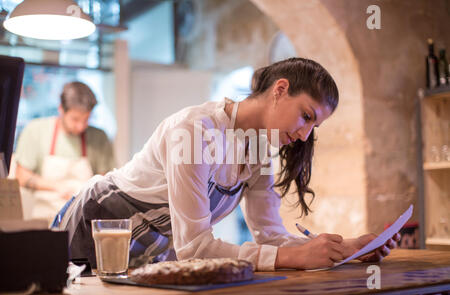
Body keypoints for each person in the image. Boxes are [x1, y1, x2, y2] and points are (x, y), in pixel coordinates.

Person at [52, 58, 400, 271]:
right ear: (280, 89)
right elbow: (195, 249)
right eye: (306, 115)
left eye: (315, 126)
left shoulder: (260, 149)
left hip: (145, 250)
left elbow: (270, 235)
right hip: (92, 226)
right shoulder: (194, 131)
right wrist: (297, 257)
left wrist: (344, 249)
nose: (306, 134)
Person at [15, 81, 115, 225]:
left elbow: (107, 180)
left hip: (83, 221)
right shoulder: (35, 131)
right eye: (75, 119)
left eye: (86, 119)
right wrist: (57, 187)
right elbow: (22, 176)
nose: (81, 126)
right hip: (45, 221)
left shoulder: (99, 137)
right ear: (61, 109)